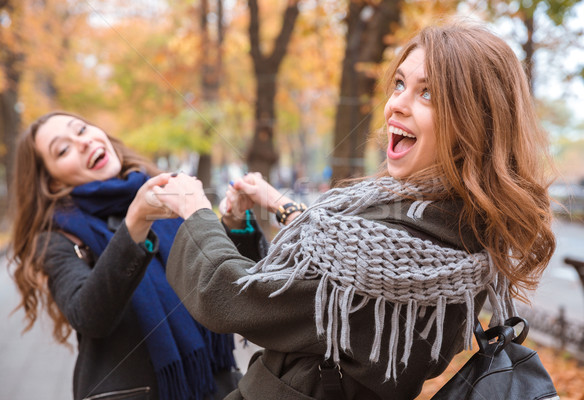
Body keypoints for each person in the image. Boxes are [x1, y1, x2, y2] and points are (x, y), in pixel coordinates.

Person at [154, 22, 556, 399]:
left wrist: (195, 210)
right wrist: (273, 204)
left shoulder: (397, 243)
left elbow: (230, 296)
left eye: (427, 93)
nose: (396, 104)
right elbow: (323, 272)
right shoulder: (462, 229)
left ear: (475, 121)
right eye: (399, 84)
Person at [9, 111, 239, 400]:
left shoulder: (162, 190)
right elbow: (88, 316)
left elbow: (228, 280)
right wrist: (136, 223)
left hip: (217, 387)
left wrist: (238, 222)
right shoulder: (56, 237)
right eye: (63, 149)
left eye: (81, 129)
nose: (82, 142)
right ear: (52, 182)